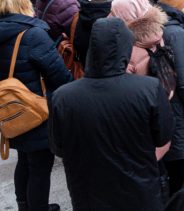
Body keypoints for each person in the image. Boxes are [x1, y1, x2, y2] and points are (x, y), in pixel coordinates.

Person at [49, 17, 174, 211]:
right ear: (126, 49)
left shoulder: (62, 97)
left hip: (88, 195)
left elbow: (58, 148)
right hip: (139, 191)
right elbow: (163, 138)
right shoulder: (148, 89)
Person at [0, 0, 72, 211]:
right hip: (37, 110)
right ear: (23, 3)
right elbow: (59, 76)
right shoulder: (33, 35)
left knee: (24, 159)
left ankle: (24, 205)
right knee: (41, 166)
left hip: (13, 106)